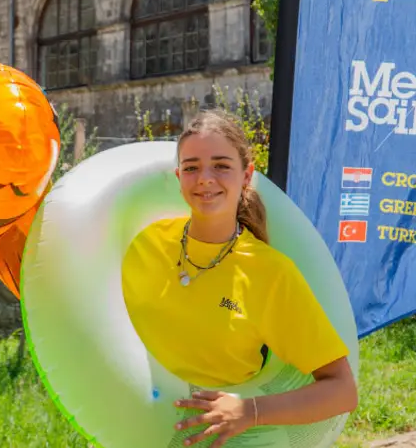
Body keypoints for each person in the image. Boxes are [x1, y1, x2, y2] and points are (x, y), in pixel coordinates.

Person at [121, 109, 358, 447]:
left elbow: (341, 390)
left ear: (246, 175)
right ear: (178, 177)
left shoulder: (270, 273)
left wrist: (251, 411)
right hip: (130, 430)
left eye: (221, 165)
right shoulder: (145, 243)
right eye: (191, 167)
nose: (205, 178)